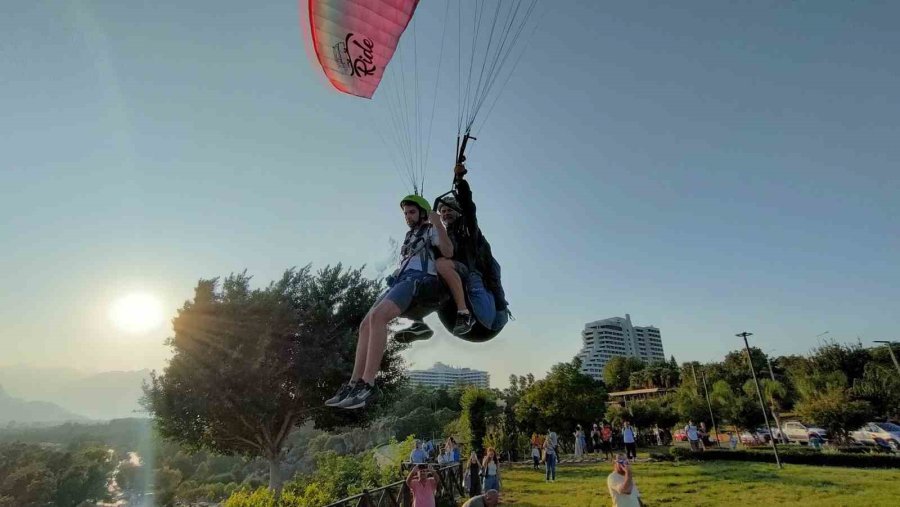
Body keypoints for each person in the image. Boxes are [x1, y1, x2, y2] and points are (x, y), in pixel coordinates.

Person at [325, 195, 452, 409]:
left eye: (412, 212)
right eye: (405, 213)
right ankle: (354, 383)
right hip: (400, 279)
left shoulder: (431, 229)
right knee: (366, 324)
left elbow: (448, 252)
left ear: (422, 213)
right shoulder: (408, 236)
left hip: (417, 280)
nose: (407, 217)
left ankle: (369, 384)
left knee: (378, 317)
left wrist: (438, 222)